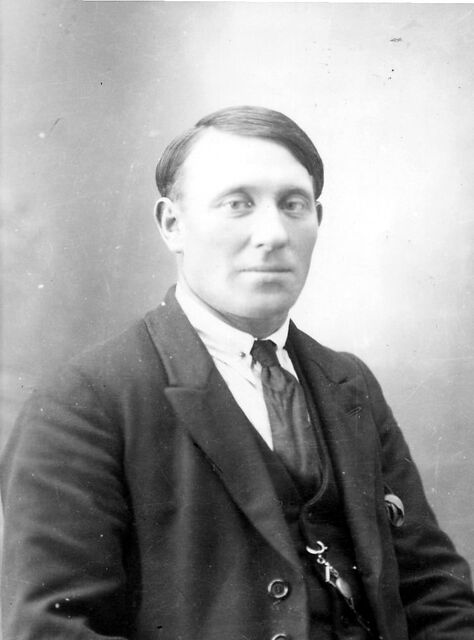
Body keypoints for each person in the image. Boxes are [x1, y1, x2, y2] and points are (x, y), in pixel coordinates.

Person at [1, 106, 474, 640]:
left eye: (293, 205)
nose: (273, 233)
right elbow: (52, 628)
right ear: (173, 225)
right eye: (237, 204)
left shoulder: (348, 383)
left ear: (318, 220)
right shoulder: (84, 402)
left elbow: (435, 594)